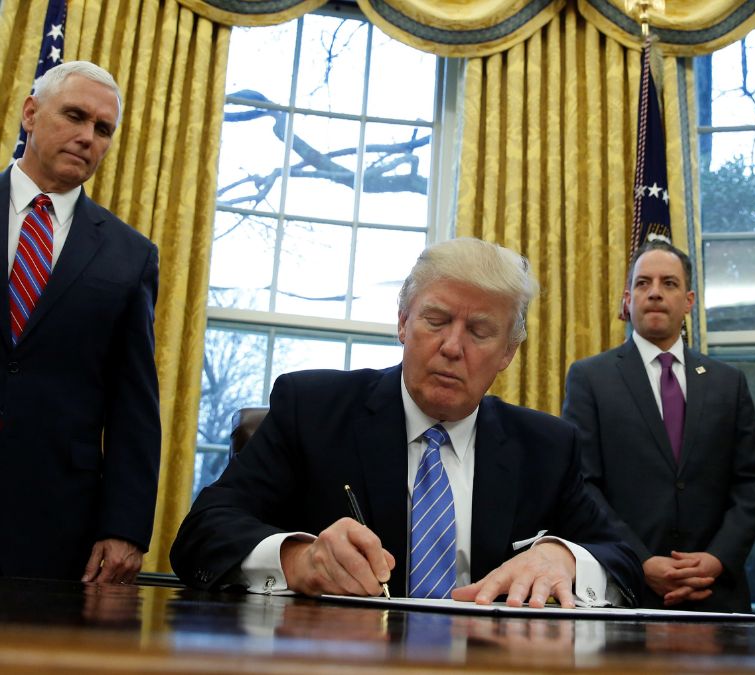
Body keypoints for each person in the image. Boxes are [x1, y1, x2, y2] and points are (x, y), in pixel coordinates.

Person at [171, 238, 640, 607]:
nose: (453, 347)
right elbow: (203, 532)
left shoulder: (546, 446)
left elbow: (627, 558)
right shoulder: (312, 409)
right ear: (402, 323)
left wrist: (565, 558)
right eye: (435, 320)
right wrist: (298, 558)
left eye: (479, 331)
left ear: (509, 353)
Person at [0, 61, 160, 583]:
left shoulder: (129, 255)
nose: (87, 136)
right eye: (74, 116)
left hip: (55, 520)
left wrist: (126, 529)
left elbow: (134, 403)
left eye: (103, 128)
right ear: (30, 113)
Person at [562, 240, 755, 612]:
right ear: (628, 300)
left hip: (715, 594)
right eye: (643, 283)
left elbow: (750, 482)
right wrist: (639, 561)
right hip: (625, 591)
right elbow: (582, 484)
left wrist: (717, 559)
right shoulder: (590, 378)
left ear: (689, 301)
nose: (655, 292)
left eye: (669, 283)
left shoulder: (728, 382)